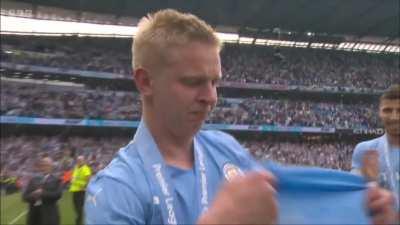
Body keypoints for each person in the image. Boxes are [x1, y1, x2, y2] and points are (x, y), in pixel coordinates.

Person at [85, 9, 397, 225]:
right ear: (145, 81)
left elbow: (291, 213)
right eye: (193, 82)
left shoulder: (226, 149)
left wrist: (360, 211)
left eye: (214, 82)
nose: (211, 97)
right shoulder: (117, 190)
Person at [352, 84, 400, 219]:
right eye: (388, 110)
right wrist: (370, 183)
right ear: (379, 112)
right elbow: (354, 195)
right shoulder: (365, 150)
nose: (394, 117)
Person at [22, 157, 63, 225]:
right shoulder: (33, 180)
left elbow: (58, 194)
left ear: (51, 166)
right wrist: (34, 195)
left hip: (49, 216)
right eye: (42, 165)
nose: (44, 167)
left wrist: (42, 193)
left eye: (47, 165)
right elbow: (24, 197)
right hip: (34, 216)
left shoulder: (56, 180)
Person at [69, 155, 92, 225]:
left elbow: (88, 180)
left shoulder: (86, 169)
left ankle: (78, 222)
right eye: (78, 160)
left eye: (80, 160)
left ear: (83, 161)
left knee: (79, 209)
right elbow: (74, 177)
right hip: (74, 191)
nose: (79, 161)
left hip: (81, 191)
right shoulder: (76, 168)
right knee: (76, 207)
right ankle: (79, 220)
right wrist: (72, 179)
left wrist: (84, 186)